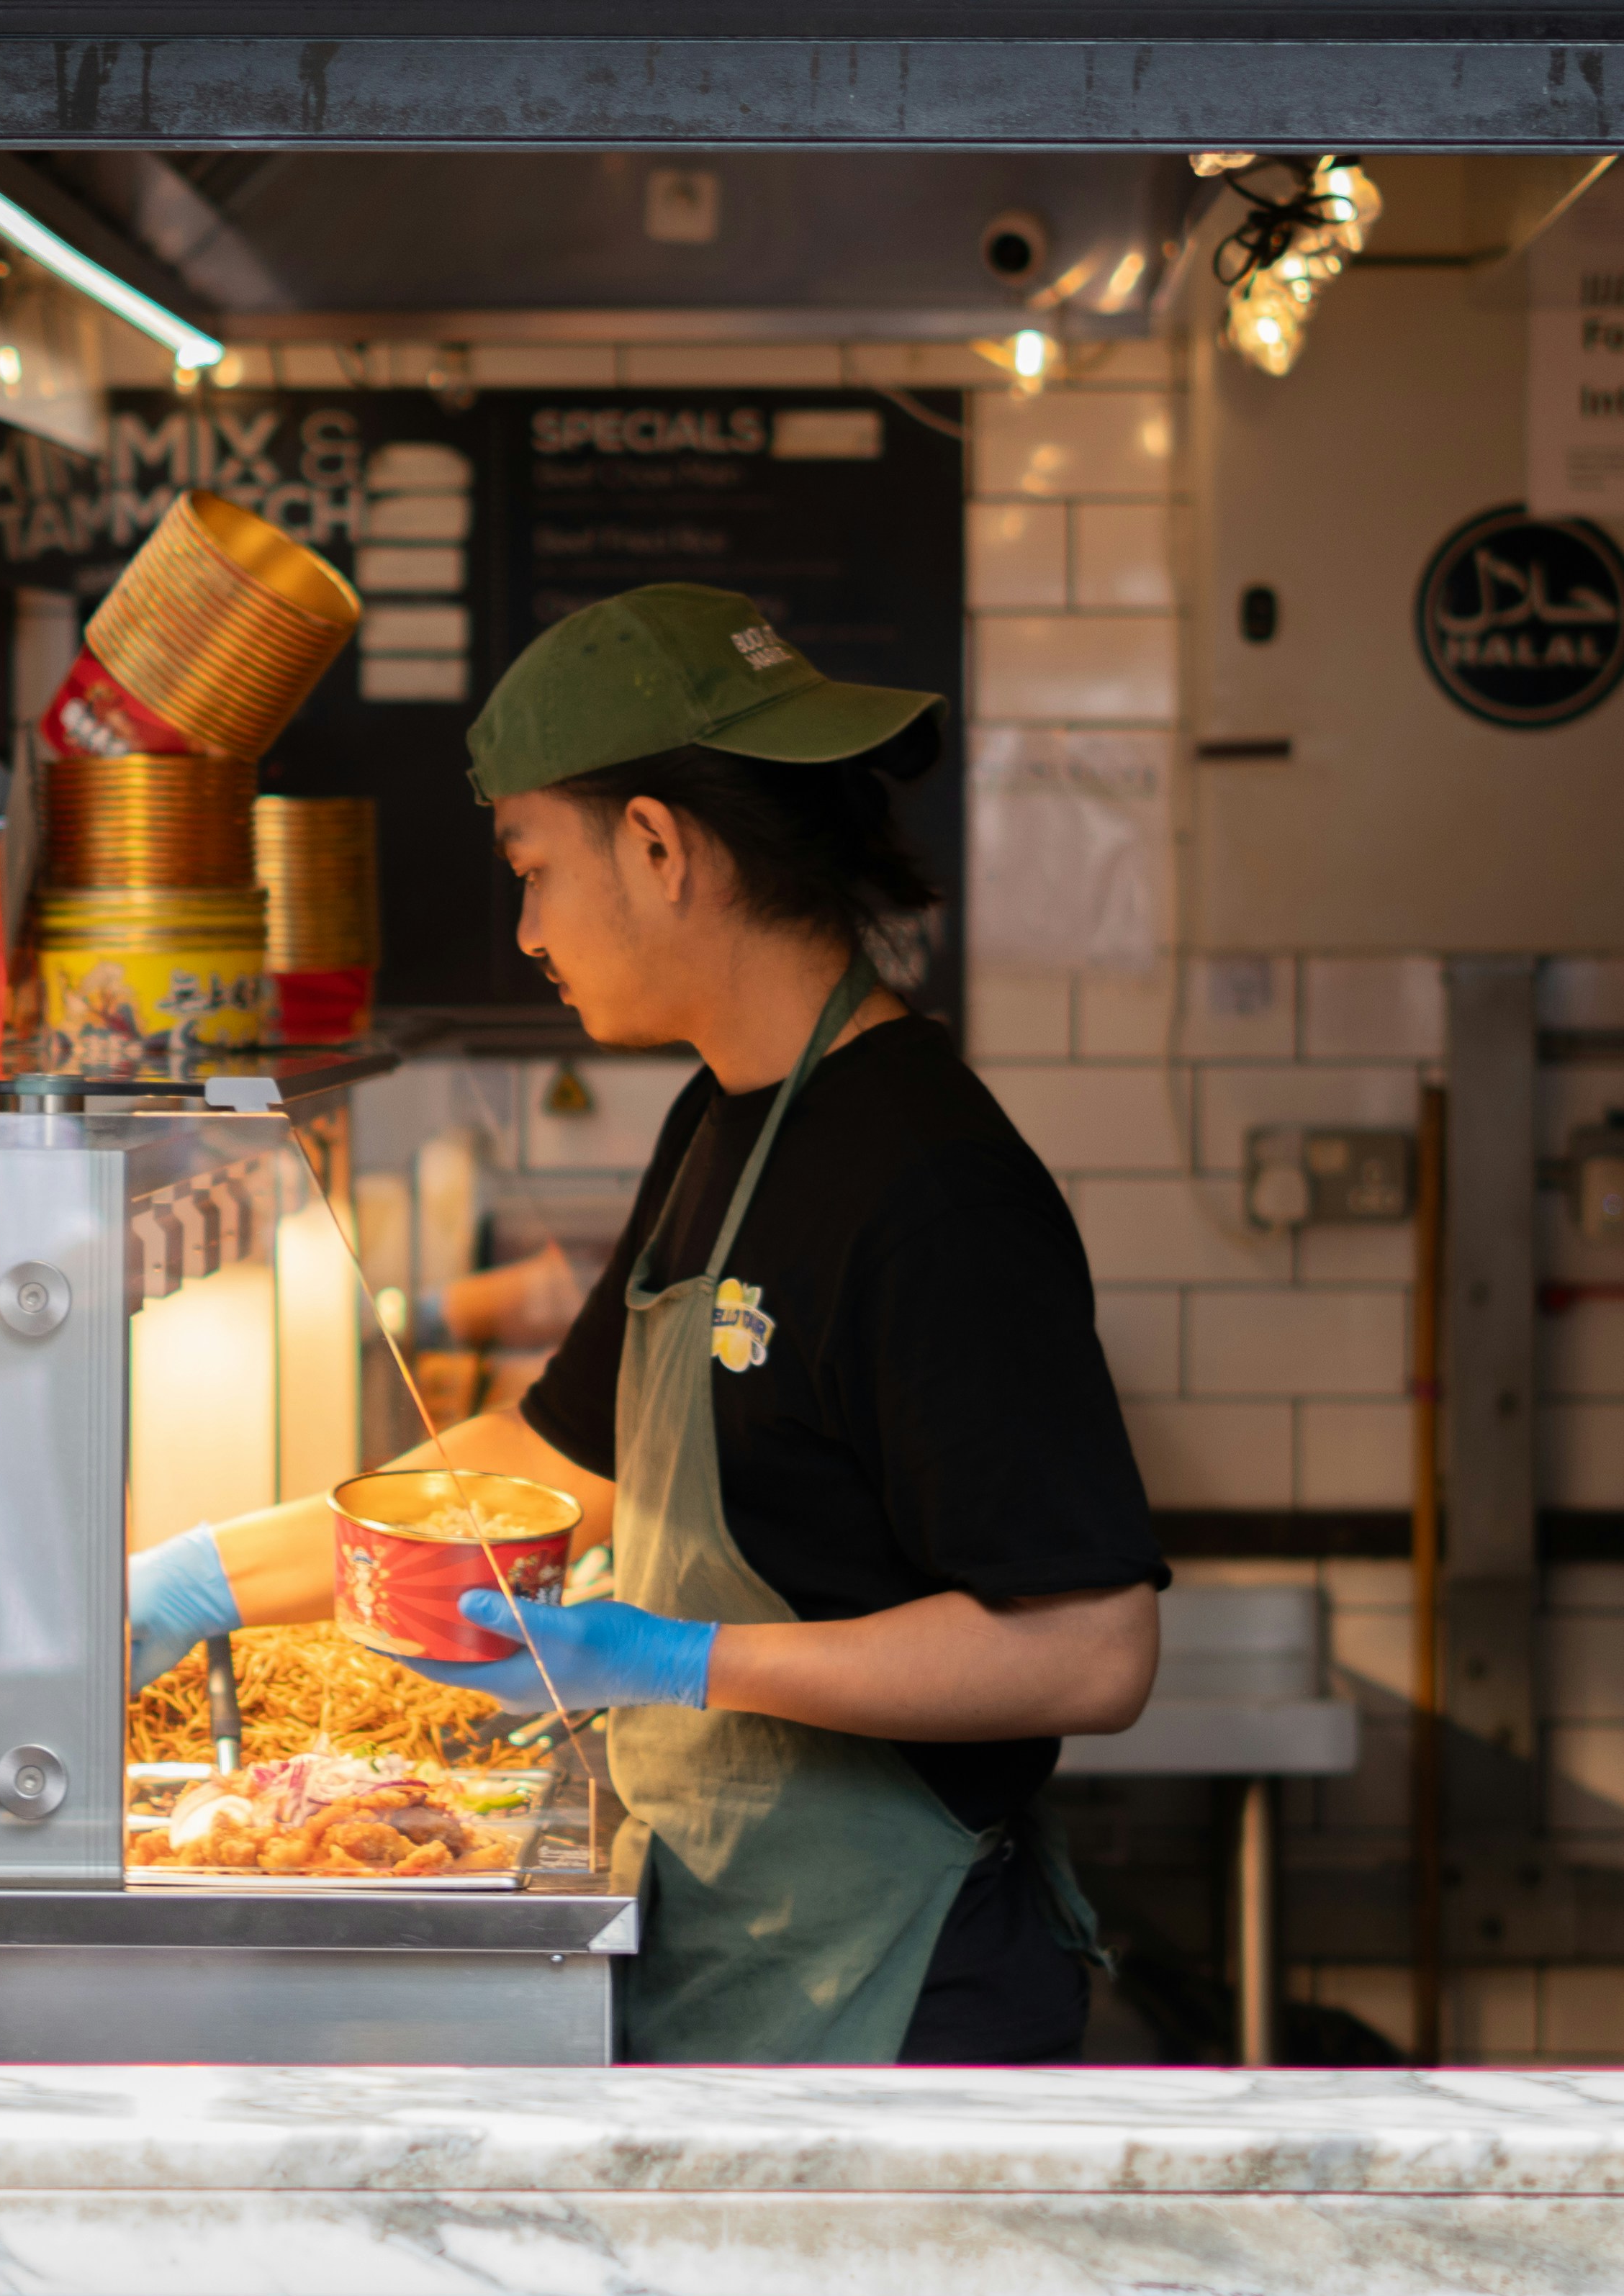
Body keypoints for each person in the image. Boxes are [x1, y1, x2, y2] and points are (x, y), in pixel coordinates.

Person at [130, 583, 1164, 2064]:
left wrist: (679, 1659)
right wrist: (200, 1578)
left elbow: (1086, 1649)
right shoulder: (725, 1115)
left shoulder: (931, 1185)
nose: (528, 925)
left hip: (897, 2006)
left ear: (659, 847)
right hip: (742, 1946)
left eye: (532, 867)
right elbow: (553, 1462)